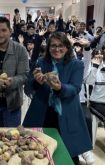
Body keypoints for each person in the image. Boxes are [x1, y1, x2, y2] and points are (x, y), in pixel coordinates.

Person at [22, 32, 92, 165]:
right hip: (42, 112)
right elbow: (28, 88)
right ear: (48, 48)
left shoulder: (76, 64)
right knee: (39, 152)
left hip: (67, 114)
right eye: (53, 45)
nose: (57, 49)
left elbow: (75, 88)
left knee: (68, 155)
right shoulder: (41, 62)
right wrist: (37, 82)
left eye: (61, 45)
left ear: (67, 47)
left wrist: (60, 88)